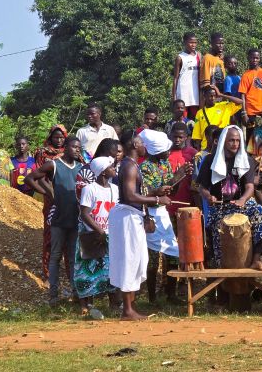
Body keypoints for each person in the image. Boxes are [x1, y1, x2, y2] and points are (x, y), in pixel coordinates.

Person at [109, 132, 167, 320]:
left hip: (132, 216)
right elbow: (129, 196)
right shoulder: (129, 166)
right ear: (134, 144)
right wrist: (157, 199)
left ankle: (130, 307)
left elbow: (136, 192)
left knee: (137, 260)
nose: (145, 146)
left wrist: (155, 193)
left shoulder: (132, 165)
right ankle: (127, 310)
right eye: (142, 143)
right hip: (127, 217)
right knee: (129, 260)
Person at [197, 125, 262, 270]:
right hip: (219, 206)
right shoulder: (209, 160)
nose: (235, 144)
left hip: (241, 204)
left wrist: (242, 200)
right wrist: (208, 196)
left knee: (261, 212)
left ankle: (256, 259)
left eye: (238, 140)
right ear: (223, 140)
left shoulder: (246, 160)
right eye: (231, 140)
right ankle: (219, 269)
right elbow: (202, 188)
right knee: (217, 230)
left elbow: (250, 187)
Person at [25, 136, 83, 306]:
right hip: (58, 218)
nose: (77, 150)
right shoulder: (54, 165)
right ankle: (53, 295)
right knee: (56, 256)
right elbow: (30, 178)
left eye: (79, 147)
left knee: (73, 257)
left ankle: (75, 293)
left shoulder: (80, 168)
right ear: (65, 147)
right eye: (74, 147)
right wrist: (48, 193)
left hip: (75, 218)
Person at [139, 129, 183, 304]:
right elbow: (146, 194)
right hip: (150, 214)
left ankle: (171, 294)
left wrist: (180, 177)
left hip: (162, 213)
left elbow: (171, 190)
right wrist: (162, 189)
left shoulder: (165, 164)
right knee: (153, 258)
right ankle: (151, 298)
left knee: (174, 253)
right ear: (157, 150)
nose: (169, 152)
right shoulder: (145, 168)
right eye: (166, 149)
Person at [75, 156, 120, 318]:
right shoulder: (90, 189)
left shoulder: (115, 189)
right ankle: (86, 305)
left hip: (110, 235)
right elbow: (85, 214)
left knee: (110, 270)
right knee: (86, 270)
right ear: (102, 172)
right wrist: (98, 231)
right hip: (90, 234)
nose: (114, 169)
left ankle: (114, 304)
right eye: (111, 167)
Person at [33, 124, 70, 280]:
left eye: (62, 137)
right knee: (50, 234)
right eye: (56, 137)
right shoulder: (42, 153)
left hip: (69, 199)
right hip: (52, 199)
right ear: (50, 137)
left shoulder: (71, 152)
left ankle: (70, 274)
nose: (59, 140)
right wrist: (50, 193)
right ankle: (48, 272)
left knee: (70, 236)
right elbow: (38, 176)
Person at [239, 48, 262, 144]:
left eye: (257, 58)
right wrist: (244, 113)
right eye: (252, 58)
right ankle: (249, 157)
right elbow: (242, 95)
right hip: (251, 112)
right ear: (248, 58)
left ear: (259, 59)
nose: (254, 60)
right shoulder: (246, 75)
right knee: (251, 137)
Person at [172, 32, 201, 119]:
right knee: (183, 119)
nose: (193, 45)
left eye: (195, 42)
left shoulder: (199, 55)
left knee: (194, 120)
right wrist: (174, 97)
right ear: (185, 42)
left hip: (195, 93)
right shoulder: (180, 57)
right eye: (191, 42)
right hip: (183, 92)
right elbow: (176, 78)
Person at [168, 123, 197, 209]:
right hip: (168, 202)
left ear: (186, 137)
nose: (177, 140)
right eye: (175, 136)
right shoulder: (165, 153)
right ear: (170, 136)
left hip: (187, 202)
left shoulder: (193, 153)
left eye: (180, 137)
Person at [199, 32, 226, 101]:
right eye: (218, 43)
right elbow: (206, 84)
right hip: (212, 98)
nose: (221, 46)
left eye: (222, 43)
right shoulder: (207, 58)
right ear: (211, 44)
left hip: (221, 96)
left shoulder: (220, 59)